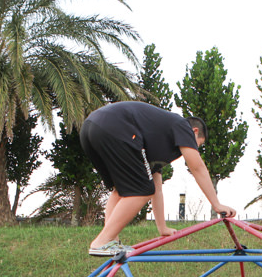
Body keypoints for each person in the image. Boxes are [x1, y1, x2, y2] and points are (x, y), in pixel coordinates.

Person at [79, 101, 236, 256]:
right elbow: (197, 167)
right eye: (198, 145)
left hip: (91, 128)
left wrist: (162, 228)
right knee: (141, 191)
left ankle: (110, 241)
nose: (193, 149)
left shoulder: (158, 143)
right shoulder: (183, 126)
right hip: (116, 127)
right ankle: (102, 241)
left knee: (121, 191)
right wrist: (217, 204)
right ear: (194, 132)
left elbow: (157, 189)